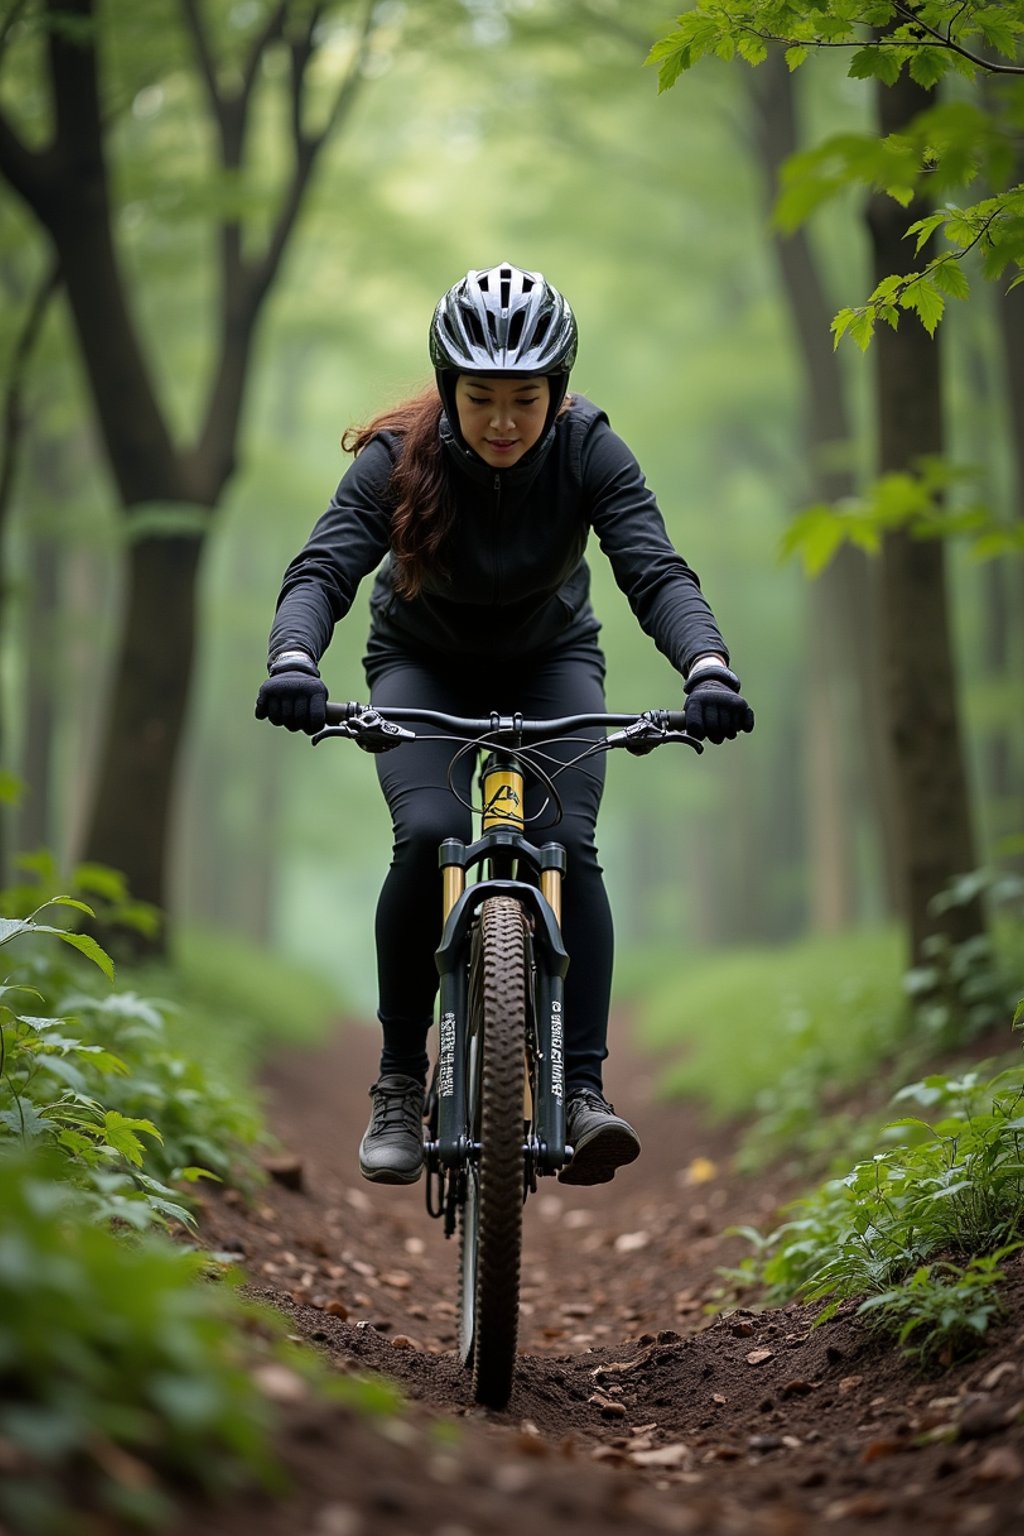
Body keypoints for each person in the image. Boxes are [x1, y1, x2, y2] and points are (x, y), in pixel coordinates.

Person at [256, 261, 753, 1189]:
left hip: (552, 662)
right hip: (421, 665)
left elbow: (655, 570)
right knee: (434, 836)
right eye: (480, 398)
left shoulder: (591, 450)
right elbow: (321, 571)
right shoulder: (396, 457)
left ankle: (587, 1089)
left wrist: (707, 666)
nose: (501, 421)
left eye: (524, 399)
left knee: (566, 841)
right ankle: (401, 1081)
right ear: (448, 390)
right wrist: (294, 660)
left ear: (556, 394)